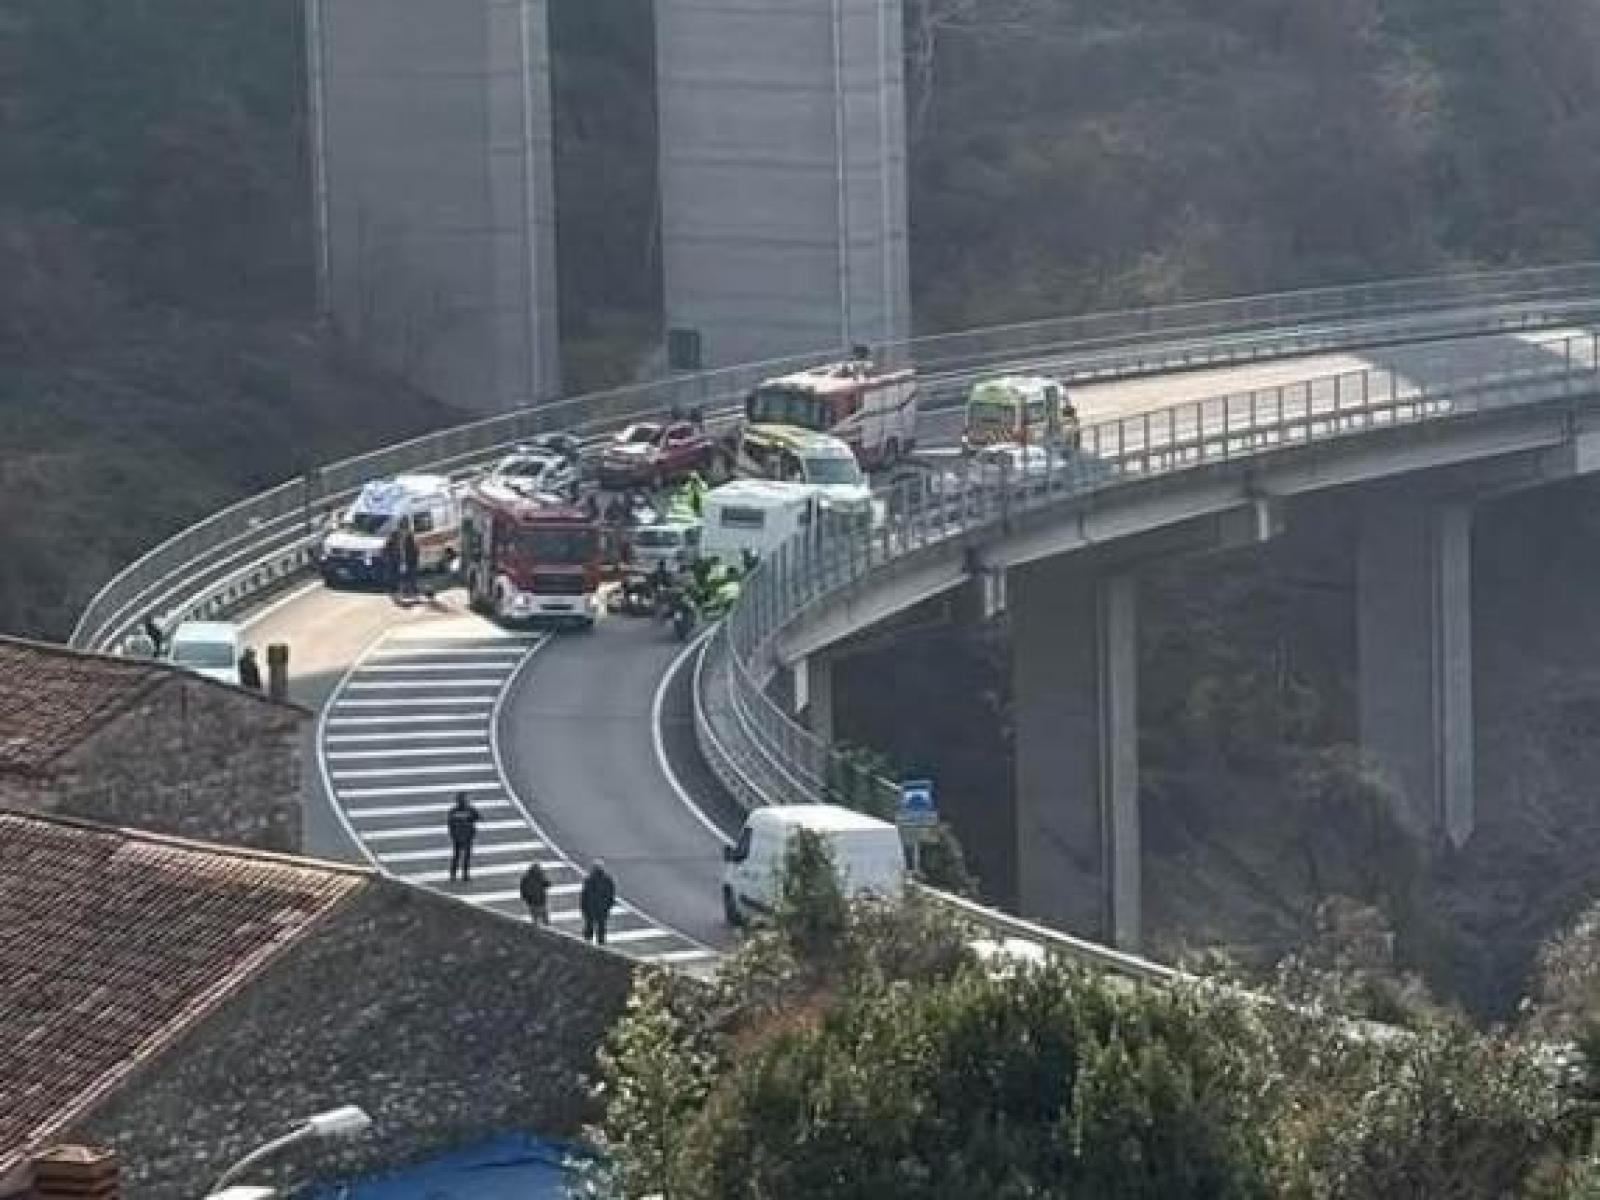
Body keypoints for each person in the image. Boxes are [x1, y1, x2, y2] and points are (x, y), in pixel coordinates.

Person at [579, 859, 616, 945]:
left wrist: (583, 908)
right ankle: (601, 945)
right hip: (602, 909)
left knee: (589, 928)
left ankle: (587, 945)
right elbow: (611, 895)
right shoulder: (608, 879)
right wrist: (608, 906)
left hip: (590, 908)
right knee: (601, 929)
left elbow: (584, 895)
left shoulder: (589, 880)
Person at [446, 793, 481, 883]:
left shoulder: (455, 811)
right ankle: (458, 875)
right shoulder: (468, 810)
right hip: (462, 836)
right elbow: (450, 824)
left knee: (462, 856)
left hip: (464, 836)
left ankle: (461, 875)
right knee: (460, 856)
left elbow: (477, 817)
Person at [519, 860, 550, 925]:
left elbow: (523, 889)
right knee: (544, 918)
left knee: (535, 918)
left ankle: (536, 929)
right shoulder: (540, 876)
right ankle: (546, 928)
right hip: (540, 900)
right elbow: (547, 884)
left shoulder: (526, 878)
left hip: (532, 901)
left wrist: (525, 898)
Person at [401, 527, 420, 597]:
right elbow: (417, 552)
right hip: (412, 562)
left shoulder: (405, 544)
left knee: (407, 576)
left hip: (408, 562)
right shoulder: (413, 544)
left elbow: (403, 552)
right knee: (412, 577)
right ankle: (413, 590)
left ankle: (406, 591)